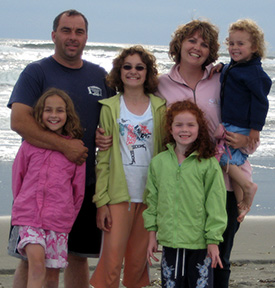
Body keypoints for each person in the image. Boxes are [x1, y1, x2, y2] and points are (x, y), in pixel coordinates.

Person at [7, 10, 114, 288]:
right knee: (31, 259)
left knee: (76, 256)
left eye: (79, 32)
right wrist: (66, 148)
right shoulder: (37, 72)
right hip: (39, 189)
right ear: (54, 35)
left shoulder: (99, 75)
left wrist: (106, 138)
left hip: (82, 184)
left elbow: (115, 118)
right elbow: (19, 121)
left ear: (86, 37)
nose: (72, 37)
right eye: (66, 31)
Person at [89, 45, 166, 288]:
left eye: (139, 67)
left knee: (137, 263)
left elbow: (165, 154)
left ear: (148, 72)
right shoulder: (110, 107)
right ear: (119, 72)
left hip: (149, 197)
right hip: (117, 196)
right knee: (111, 262)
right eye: (127, 67)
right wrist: (101, 201)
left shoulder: (160, 107)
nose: (133, 71)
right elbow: (103, 158)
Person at [143, 100, 227, 287]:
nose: (184, 129)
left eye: (191, 125)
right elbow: (152, 201)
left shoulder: (208, 163)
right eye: (178, 124)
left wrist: (213, 240)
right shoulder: (159, 162)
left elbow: (216, 204)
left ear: (199, 128)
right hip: (170, 243)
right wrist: (151, 236)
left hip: (200, 244)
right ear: (170, 129)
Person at [11, 88, 85, 288]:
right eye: (48, 110)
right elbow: (18, 179)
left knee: (52, 277)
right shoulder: (29, 145)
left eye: (59, 111)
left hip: (58, 221)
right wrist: (21, 207)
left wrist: (68, 217)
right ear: (40, 114)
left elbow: (78, 192)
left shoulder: (75, 150)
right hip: (29, 218)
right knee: (36, 266)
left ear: (67, 115)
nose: (53, 115)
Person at [216, 19, 271, 222]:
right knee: (233, 165)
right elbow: (229, 72)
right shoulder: (234, 67)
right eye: (231, 43)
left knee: (222, 158)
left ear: (254, 47)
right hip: (231, 121)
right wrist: (221, 67)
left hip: (239, 125)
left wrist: (255, 130)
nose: (234, 48)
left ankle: (248, 187)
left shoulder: (254, 74)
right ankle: (243, 205)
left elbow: (261, 103)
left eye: (241, 44)